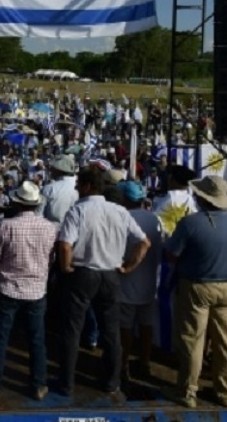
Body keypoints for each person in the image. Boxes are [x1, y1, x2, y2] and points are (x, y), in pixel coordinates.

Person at [56, 167, 150, 402]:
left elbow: (65, 245)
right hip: (110, 274)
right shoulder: (119, 211)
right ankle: (111, 382)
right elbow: (144, 242)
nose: (76, 187)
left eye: (79, 183)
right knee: (111, 332)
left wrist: (66, 267)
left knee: (72, 329)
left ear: (88, 185)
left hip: (83, 273)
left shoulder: (78, 210)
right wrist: (128, 267)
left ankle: (66, 384)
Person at [165, 175, 227, 409]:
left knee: (193, 340)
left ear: (202, 198)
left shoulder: (191, 223)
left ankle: (188, 391)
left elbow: (172, 254)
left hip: (197, 286)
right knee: (226, 342)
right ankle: (225, 392)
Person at [0, 181, 57, 402]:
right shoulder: (49, 227)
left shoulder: (5, 226)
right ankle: (39, 384)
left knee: (0, 337)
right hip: (36, 290)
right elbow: (51, 259)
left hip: (8, 288)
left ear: (16, 202)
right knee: (36, 339)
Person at [116, 180, 163, 383]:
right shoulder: (154, 219)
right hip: (150, 280)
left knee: (125, 326)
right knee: (146, 324)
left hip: (126, 278)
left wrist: (126, 266)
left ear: (125, 198)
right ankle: (145, 361)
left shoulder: (122, 218)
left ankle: (124, 364)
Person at [37, 154, 78, 226]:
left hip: (52, 232)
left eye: (52, 168)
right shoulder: (80, 187)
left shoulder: (49, 189)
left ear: (58, 170)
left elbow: (38, 216)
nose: (50, 171)